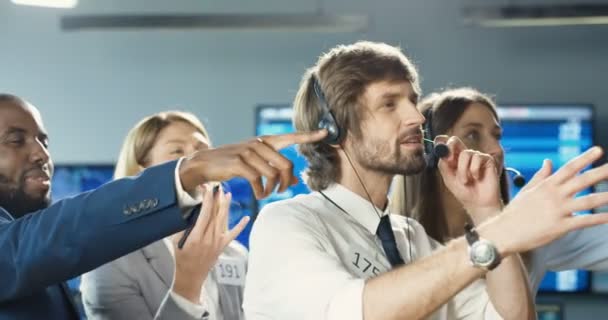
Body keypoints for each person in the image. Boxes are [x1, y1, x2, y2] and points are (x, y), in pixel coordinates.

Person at [242, 41, 608, 320]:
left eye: (412, 101)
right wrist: (503, 232)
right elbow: (359, 311)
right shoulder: (289, 222)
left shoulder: (410, 237)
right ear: (334, 127)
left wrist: (486, 213)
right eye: (390, 104)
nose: (416, 116)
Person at [0, 93, 327, 319]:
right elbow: (44, 239)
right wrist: (190, 169)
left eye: (44, 141)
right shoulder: (107, 260)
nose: (42, 154)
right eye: (16, 140)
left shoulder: (236, 254)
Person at [390, 87, 608, 293]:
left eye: (496, 135)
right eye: (473, 135)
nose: (496, 150)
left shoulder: (524, 228)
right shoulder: (393, 242)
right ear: (432, 153)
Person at [81, 111, 249, 320]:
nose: (197, 160)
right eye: (177, 151)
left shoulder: (237, 255)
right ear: (142, 172)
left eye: (202, 150)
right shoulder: (109, 261)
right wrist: (188, 284)